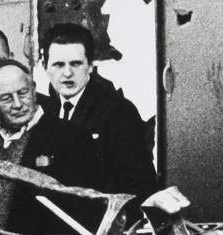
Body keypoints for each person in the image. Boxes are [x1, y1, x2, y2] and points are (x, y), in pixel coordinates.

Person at [0, 58, 97, 235]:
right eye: (6, 99)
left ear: (34, 89)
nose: (18, 104)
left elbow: (85, 210)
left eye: (23, 93)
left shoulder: (70, 136)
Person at [37, 23, 157, 197]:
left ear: (91, 66)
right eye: (58, 65)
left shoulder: (118, 112)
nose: (68, 73)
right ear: (45, 66)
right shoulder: (44, 110)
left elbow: (140, 185)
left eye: (76, 64)